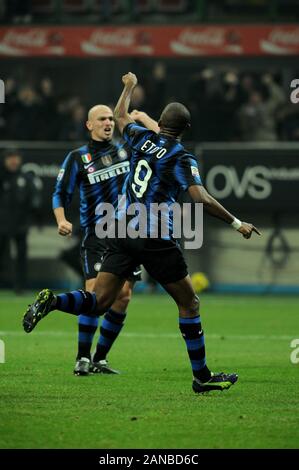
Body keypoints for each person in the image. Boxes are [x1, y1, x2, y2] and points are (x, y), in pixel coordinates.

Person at [22, 73, 261, 394]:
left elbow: (122, 115)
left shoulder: (138, 138)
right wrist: (237, 223)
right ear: (186, 129)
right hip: (154, 236)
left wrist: (128, 88)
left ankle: (53, 302)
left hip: (119, 230)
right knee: (189, 303)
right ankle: (202, 376)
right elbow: (200, 198)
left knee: (99, 301)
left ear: (158, 122)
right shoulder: (181, 157)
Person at [51, 104, 144, 376]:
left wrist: (139, 117)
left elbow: (160, 137)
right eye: (102, 119)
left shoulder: (127, 149)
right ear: (89, 125)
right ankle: (81, 357)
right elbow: (60, 192)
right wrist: (61, 219)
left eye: (110, 119)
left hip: (128, 234)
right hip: (97, 236)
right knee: (94, 295)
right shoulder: (78, 157)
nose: (108, 123)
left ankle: (99, 359)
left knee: (123, 296)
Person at [0, 149, 42, 293]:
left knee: (21, 256)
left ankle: (20, 286)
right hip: (2, 224)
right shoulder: (2, 177)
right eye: (10, 158)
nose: (13, 161)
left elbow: (34, 200)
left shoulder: (26, 179)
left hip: (20, 224)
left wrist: (34, 219)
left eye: (15, 157)